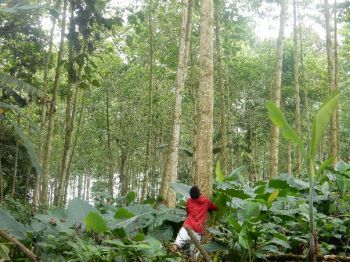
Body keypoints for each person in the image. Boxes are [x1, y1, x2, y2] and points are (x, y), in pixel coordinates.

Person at [171, 185, 218, 256]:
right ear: (199, 193)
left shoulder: (189, 201)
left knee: (176, 244)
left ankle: (169, 256)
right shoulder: (206, 201)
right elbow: (215, 207)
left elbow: (188, 212)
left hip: (187, 226)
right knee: (194, 252)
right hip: (197, 229)